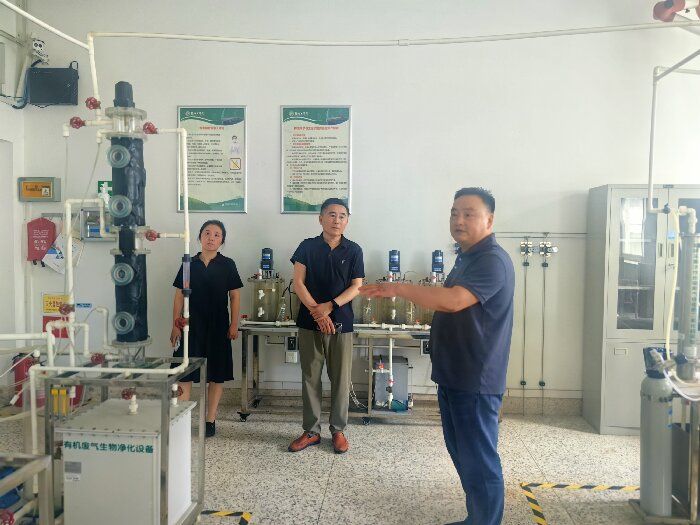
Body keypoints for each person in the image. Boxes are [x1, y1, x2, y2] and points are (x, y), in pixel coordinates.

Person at [360, 187, 515, 525]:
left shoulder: (492, 260)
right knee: (464, 455)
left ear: (489, 220)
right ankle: (477, 518)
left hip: (476, 378)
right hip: (455, 373)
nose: (459, 220)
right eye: (454, 213)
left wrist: (398, 288)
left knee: (480, 461)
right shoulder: (467, 256)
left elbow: (454, 301)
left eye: (469, 214)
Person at [288, 198, 364, 454]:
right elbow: (298, 283)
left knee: (341, 379)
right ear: (320, 218)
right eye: (331, 214)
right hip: (309, 322)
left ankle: (338, 430)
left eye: (342, 216)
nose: (336, 220)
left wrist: (330, 306)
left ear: (347, 221)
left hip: (342, 323)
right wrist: (317, 313)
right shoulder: (307, 247)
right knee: (310, 377)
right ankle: (311, 431)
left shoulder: (354, 250)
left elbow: (356, 286)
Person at [170, 220, 243, 438]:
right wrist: (175, 325)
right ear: (200, 237)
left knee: (216, 374)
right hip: (190, 325)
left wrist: (234, 324)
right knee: (184, 371)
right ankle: (181, 419)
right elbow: (179, 295)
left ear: (222, 240)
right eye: (207, 233)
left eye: (217, 235)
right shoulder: (188, 263)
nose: (211, 238)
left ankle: (210, 419)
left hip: (218, 325)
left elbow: (235, 296)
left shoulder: (228, 264)